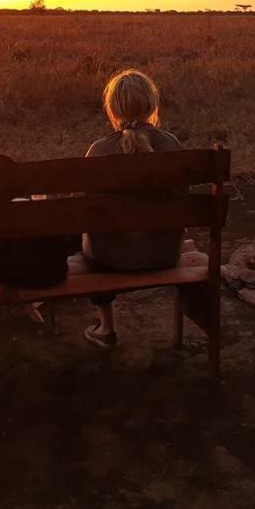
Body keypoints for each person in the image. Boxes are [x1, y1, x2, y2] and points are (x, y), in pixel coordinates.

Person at [81, 69, 184, 348]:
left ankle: (106, 327)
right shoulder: (172, 144)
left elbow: (87, 208)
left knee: (92, 236)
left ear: (112, 109)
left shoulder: (99, 150)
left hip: (109, 257)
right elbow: (180, 196)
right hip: (164, 254)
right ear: (152, 105)